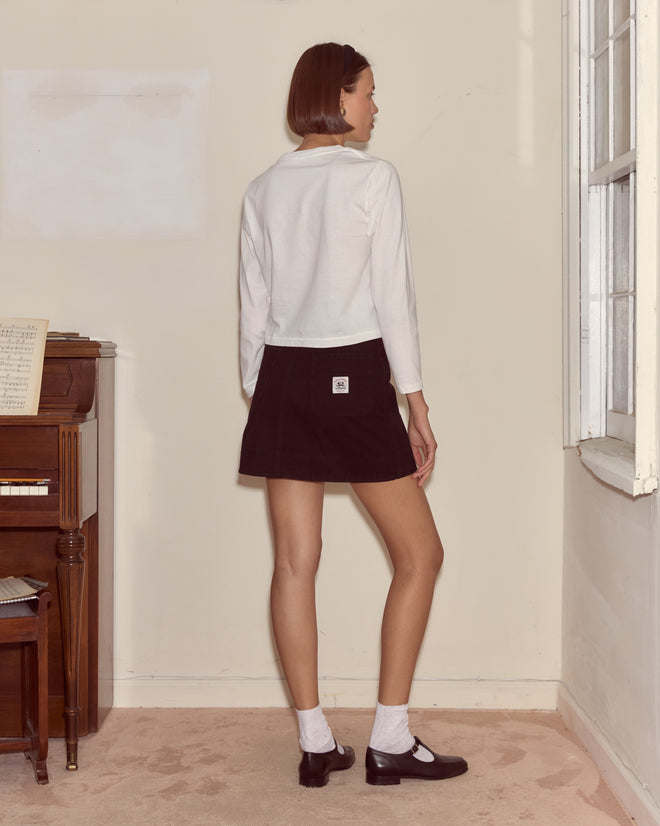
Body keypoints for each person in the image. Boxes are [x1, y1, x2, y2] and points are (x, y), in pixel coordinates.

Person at [238, 42, 468, 788]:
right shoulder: (372, 178)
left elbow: (252, 311)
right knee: (421, 556)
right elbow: (394, 297)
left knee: (292, 563)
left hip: (281, 376)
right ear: (338, 98)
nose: (375, 106)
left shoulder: (263, 189)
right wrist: (416, 403)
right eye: (369, 92)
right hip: (354, 371)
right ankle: (390, 738)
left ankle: (316, 743)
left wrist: (267, 393)